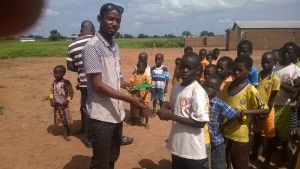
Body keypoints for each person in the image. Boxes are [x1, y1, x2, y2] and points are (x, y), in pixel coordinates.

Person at [82, 3, 145, 169]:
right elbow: (97, 85)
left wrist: (127, 85)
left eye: (118, 20)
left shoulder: (114, 46)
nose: (114, 23)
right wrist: (129, 98)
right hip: (101, 115)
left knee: (112, 156)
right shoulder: (92, 47)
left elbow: (113, 77)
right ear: (99, 19)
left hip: (116, 112)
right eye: (110, 19)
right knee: (100, 162)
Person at [157, 52, 210, 169]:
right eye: (182, 67)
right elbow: (176, 108)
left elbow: (200, 123)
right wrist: (166, 106)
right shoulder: (176, 88)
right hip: (177, 146)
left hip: (193, 150)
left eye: (190, 68)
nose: (185, 70)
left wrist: (171, 116)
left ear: (197, 71)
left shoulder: (197, 92)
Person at [220, 56, 269, 169]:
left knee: (240, 163)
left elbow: (265, 109)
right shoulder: (227, 86)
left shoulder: (250, 89)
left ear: (249, 71)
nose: (236, 73)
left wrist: (246, 111)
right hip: (224, 130)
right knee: (226, 161)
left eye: (240, 70)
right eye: (234, 69)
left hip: (239, 134)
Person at [66, 20, 95, 146]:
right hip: (99, 81)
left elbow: (70, 66)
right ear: (93, 30)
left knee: (85, 107)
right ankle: (91, 140)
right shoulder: (97, 41)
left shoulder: (72, 45)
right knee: (97, 109)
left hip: (83, 81)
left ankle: (84, 129)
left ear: (81, 31)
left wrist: (81, 69)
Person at [249, 52, 280, 168]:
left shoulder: (275, 79)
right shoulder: (258, 75)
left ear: (274, 63)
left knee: (269, 137)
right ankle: (254, 154)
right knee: (256, 134)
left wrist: (266, 112)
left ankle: (267, 159)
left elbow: (272, 98)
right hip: (257, 111)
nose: (265, 64)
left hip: (268, 112)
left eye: (268, 62)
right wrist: (257, 111)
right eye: (263, 61)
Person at [203, 74, 239, 169]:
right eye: (207, 86)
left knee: (218, 165)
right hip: (202, 140)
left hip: (215, 140)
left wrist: (222, 126)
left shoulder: (218, 103)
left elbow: (235, 114)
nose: (208, 89)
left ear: (218, 90)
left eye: (212, 87)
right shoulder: (200, 100)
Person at [274, 42, 300, 164]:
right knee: (271, 130)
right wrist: (286, 85)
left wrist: (278, 83)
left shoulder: (295, 70)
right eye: (284, 51)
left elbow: (295, 90)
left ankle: (284, 154)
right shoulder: (274, 66)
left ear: (294, 56)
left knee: (284, 133)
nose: (285, 54)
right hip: (270, 104)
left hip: (285, 105)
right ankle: (271, 150)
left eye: (289, 53)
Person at [49, 65, 74, 141]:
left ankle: (65, 133)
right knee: (61, 118)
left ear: (63, 73)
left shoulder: (66, 82)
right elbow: (51, 92)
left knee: (65, 118)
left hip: (64, 104)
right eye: (54, 73)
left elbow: (71, 92)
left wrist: (67, 100)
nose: (55, 74)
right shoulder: (53, 83)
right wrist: (51, 100)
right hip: (57, 104)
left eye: (57, 73)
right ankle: (68, 130)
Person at [129, 61, 152, 128]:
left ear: (144, 68)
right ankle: (135, 120)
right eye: (138, 67)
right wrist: (131, 86)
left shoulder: (146, 76)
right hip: (136, 94)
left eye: (140, 67)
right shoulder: (135, 74)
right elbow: (131, 81)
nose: (138, 68)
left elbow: (148, 87)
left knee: (145, 109)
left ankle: (146, 122)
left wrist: (144, 96)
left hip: (144, 95)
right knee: (135, 108)